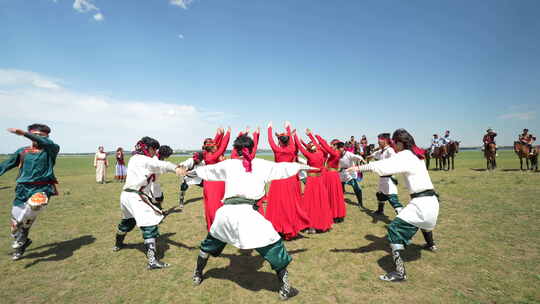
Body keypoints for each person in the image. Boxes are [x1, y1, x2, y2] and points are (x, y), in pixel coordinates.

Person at [191, 134, 314, 300]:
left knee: (209, 243)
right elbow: (285, 168)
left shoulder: (229, 164)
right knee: (273, 244)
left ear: (236, 149)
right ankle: (285, 287)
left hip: (226, 214)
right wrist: (306, 167)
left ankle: (197, 273)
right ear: (251, 149)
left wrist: (186, 171)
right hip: (247, 214)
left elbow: (206, 171)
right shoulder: (260, 164)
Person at [348, 129, 439, 282]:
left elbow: (382, 165)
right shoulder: (416, 155)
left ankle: (400, 272)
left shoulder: (405, 155)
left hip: (421, 203)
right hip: (432, 202)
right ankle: (431, 245)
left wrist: (358, 168)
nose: (393, 146)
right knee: (423, 223)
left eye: (394, 143)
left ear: (399, 143)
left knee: (394, 229)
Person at [112, 137, 185, 269]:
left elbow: (157, 169)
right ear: (146, 148)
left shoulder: (134, 158)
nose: (154, 152)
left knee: (128, 222)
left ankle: (118, 245)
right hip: (135, 196)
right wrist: (176, 168)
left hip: (126, 195)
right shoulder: (144, 160)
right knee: (149, 225)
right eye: (153, 149)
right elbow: (161, 165)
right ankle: (152, 261)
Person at [0, 124, 60, 261]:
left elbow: (46, 143)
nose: (37, 138)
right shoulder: (22, 151)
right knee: (16, 226)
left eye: (41, 136)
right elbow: (6, 165)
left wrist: (23, 133)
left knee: (29, 211)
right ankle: (23, 244)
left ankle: (20, 237)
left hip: (42, 189)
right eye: (35, 135)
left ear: (47, 137)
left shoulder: (51, 149)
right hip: (22, 190)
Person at [266, 121, 310, 240]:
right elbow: (289, 140)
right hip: (290, 180)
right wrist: (288, 127)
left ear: (279, 141)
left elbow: (270, 140)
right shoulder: (292, 148)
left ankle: (279, 227)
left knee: (278, 204)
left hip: (279, 180)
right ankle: (290, 227)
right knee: (290, 204)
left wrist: (269, 128)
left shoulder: (277, 150)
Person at [294, 131, 333, 233]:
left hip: (311, 181)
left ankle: (311, 225)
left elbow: (300, 147)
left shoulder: (309, 155)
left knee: (310, 203)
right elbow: (315, 144)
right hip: (319, 180)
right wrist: (310, 135)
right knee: (320, 202)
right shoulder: (320, 153)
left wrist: (295, 136)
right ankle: (321, 223)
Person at [308, 131, 346, 223]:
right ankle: (331, 212)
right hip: (329, 175)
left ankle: (335, 214)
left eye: (332, 145)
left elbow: (324, 146)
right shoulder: (334, 152)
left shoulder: (335, 153)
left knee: (332, 195)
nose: (330, 146)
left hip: (332, 176)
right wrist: (311, 137)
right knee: (330, 194)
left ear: (336, 146)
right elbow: (319, 146)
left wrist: (316, 135)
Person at [201, 127, 231, 231]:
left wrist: (219, 134)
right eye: (214, 145)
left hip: (212, 183)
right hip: (215, 184)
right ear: (212, 147)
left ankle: (216, 224)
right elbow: (222, 147)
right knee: (215, 205)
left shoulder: (208, 153)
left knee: (214, 204)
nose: (216, 146)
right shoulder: (212, 156)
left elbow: (217, 144)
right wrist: (227, 134)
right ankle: (217, 225)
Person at [369, 133, 403, 215]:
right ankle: (380, 211)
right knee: (380, 195)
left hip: (388, 179)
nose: (378, 142)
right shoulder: (381, 151)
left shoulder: (390, 150)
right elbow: (373, 155)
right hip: (382, 178)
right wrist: (368, 157)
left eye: (379, 140)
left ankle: (403, 217)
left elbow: (395, 160)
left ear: (385, 140)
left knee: (392, 199)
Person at [149, 145, 174, 211]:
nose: (168, 157)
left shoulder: (159, 158)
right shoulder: (155, 159)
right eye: (167, 155)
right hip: (150, 182)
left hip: (155, 181)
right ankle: (157, 211)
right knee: (153, 199)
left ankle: (159, 210)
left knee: (160, 197)